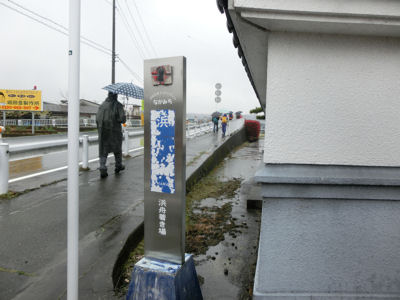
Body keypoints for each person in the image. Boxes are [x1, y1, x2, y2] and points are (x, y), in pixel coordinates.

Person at [96, 92, 126, 178]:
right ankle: (118, 166)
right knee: (117, 149)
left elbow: (97, 119)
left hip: (102, 131)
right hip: (115, 131)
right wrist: (123, 115)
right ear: (116, 96)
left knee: (103, 149)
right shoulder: (118, 105)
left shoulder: (102, 105)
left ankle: (102, 166)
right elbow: (122, 119)